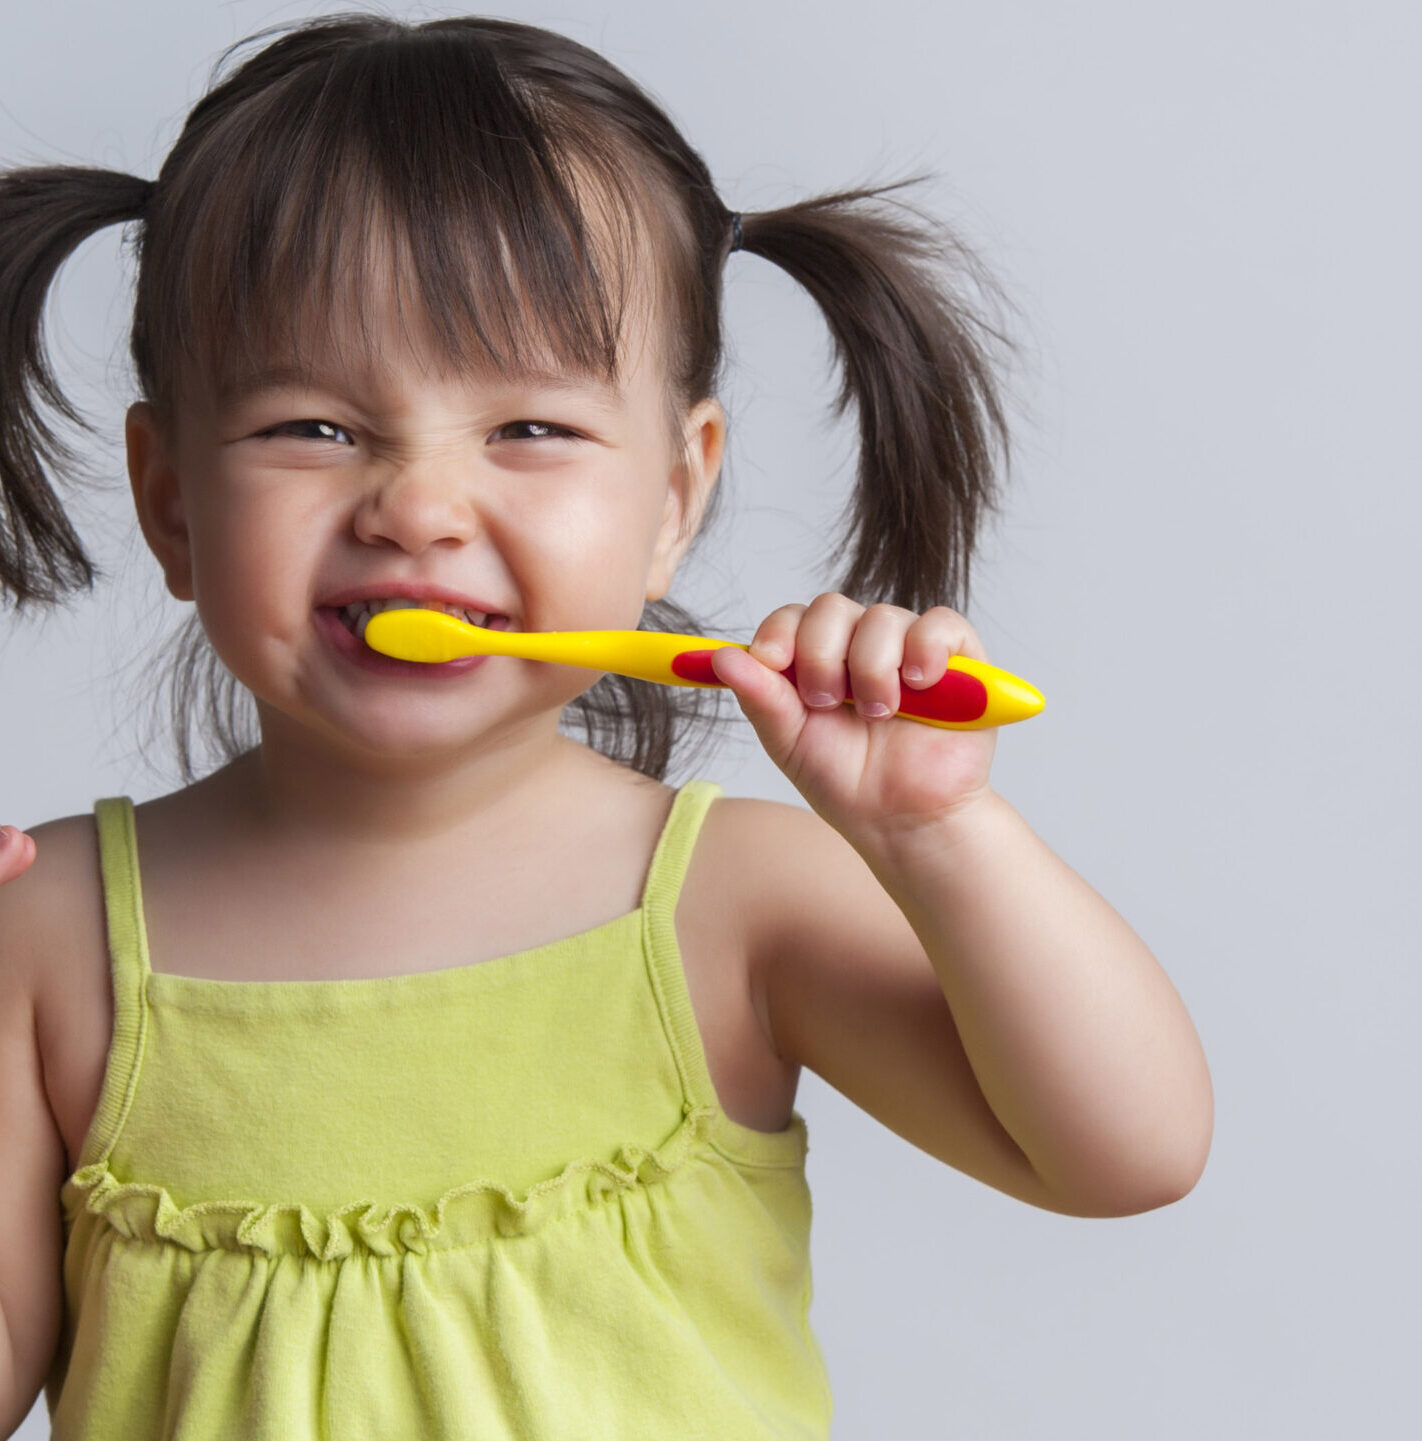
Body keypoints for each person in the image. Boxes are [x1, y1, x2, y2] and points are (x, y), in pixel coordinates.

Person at [0, 12, 1213, 1439]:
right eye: (312, 428)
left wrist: (935, 831)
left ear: (672, 498)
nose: (418, 507)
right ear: (170, 502)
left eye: (529, 429)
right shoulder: (52, 933)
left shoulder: (733, 901)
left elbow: (1124, 1153)